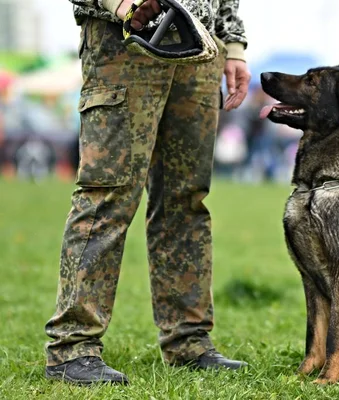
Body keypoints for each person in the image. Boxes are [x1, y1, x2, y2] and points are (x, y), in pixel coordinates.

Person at [44, 0, 251, 385]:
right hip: (126, 38)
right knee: (106, 196)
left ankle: (188, 340)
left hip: (201, 44)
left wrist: (232, 43)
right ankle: (72, 347)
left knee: (185, 198)